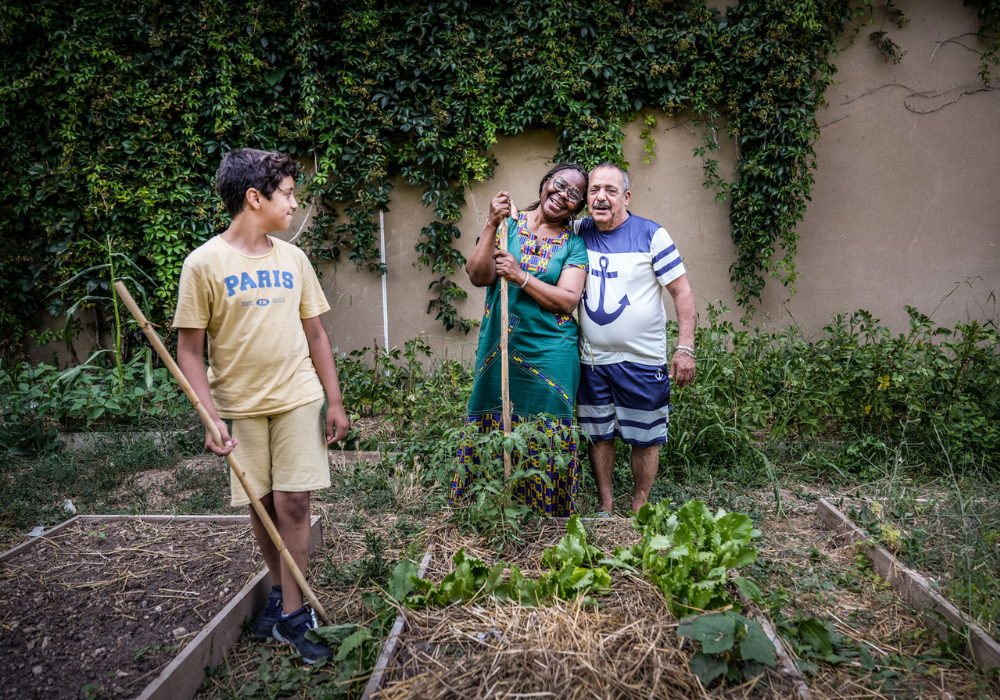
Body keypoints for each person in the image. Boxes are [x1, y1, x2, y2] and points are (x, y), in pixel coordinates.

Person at [173, 148, 350, 664]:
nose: (295, 203)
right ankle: (280, 592)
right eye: (289, 193)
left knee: (294, 503)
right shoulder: (203, 263)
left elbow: (316, 334)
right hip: (241, 406)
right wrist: (208, 414)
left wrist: (334, 400)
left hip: (297, 397)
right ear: (255, 198)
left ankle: (294, 615)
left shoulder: (292, 259)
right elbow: (189, 349)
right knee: (264, 505)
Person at [450, 164, 590, 516]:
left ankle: (544, 511)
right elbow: (478, 275)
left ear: (578, 208)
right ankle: (490, 505)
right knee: (492, 412)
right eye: (559, 186)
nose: (563, 196)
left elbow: (567, 300)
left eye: (574, 196)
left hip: (551, 350)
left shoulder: (574, 247)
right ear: (545, 184)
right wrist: (491, 223)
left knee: (547, 424)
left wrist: (520, 275)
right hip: (501, 344)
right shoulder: (507, 227)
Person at [576, 163, 697, 515]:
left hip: (643, 361)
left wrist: (684, 348)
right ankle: (606, 504)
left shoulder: (652, 235)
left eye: (611, 191)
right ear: (586, 198)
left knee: (645, 437)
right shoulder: (578, 232)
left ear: (626, 197)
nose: (601, 197)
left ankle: (639, 506)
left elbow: (682, 292)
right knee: (599, 434)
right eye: (594, 190)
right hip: (593, 361)